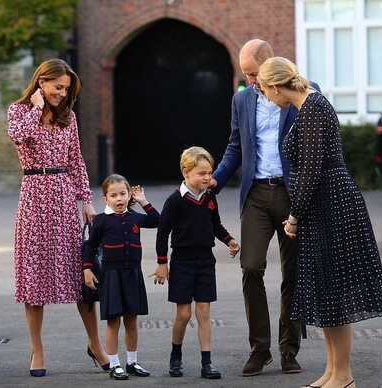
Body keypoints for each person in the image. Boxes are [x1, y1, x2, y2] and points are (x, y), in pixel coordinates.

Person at [257, 56, 382, 388]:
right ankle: (333, 371)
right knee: (326, 291)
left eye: (264, 90)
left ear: (276, 86)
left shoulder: (313, 107)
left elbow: (311, 170)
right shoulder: (308, 107)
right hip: (323, 207)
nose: (265, 96)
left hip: (333, 206)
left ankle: (344, 375)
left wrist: (293, 216)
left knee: (335, 290)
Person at [211, 39, 317, 376]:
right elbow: (234, 146)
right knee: (252, 266)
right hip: (255, 193)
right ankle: (260, 349)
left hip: (292, 195)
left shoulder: (304, 93)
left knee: (294, 273)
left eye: (254, 73)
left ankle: (289, 349)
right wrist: (215, 179)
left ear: (271, 63)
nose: (250, 80)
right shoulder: (241, 99)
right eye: (245, 74)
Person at [7, 58, 109, 377]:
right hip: (34, 197)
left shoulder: (69, 117)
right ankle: (37, 350)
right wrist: (37, 107)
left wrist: (86, 201)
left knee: (82, 276)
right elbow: (17, 136)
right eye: (57, 87)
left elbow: (76, 160)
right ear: (42, 82)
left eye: (66, 89)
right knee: (34, 279)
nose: (62, 94)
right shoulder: (20, 110)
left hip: (64, 197)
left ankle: (96, 345)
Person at [152, 146, 240, 380]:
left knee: (203, 311)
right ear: (186, 172)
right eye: (202, 173)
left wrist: (229, 240)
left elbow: (216, 225)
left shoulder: (210, 198)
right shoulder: (175, 201)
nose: (207, 178)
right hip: (182, 262)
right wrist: (163, 263)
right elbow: (163, 233)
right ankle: (176, 356)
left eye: (209, 173)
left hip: (205, 262)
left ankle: (207, 362)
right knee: (183, 315)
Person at [83, 174, 160, 381]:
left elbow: (157, 220)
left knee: (132, 321)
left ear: (129, 196)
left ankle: (132, 362)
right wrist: (87, 269)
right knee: (113, 322)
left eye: (123, 194)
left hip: (133, 274)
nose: (119, 199)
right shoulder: (101, 220)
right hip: (111, 276)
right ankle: (114, 364)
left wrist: (143, 201)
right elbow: (90, 246)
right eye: (113, 195)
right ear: (105, 198)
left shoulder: (135, 217)